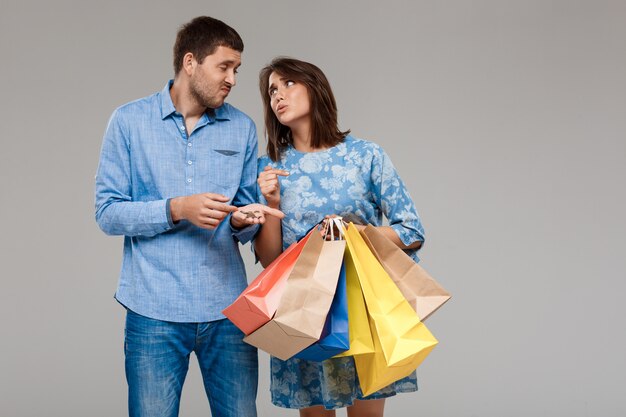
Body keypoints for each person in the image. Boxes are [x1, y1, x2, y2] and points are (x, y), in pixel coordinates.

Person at [95, 16, 283, 417]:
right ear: (191, 62)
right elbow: (107, 212)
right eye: (224, 67)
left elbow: (246, 220)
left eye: (237, 69)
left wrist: (241, 220)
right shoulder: (128, 122)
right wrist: (177, 209)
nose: (232, 79)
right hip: (153, 311)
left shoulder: (242, 128)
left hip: (228, 310)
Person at [254, 57, 426, 417]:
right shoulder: (270, 168)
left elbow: (411, 231)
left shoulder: (366, 156)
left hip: (361, 303)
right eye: (272, 91)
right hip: (303, 306)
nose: (278, 96)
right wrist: (270, 201)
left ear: (315, 88)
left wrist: (355, 233)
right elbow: (271, 260)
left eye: (288, 84)